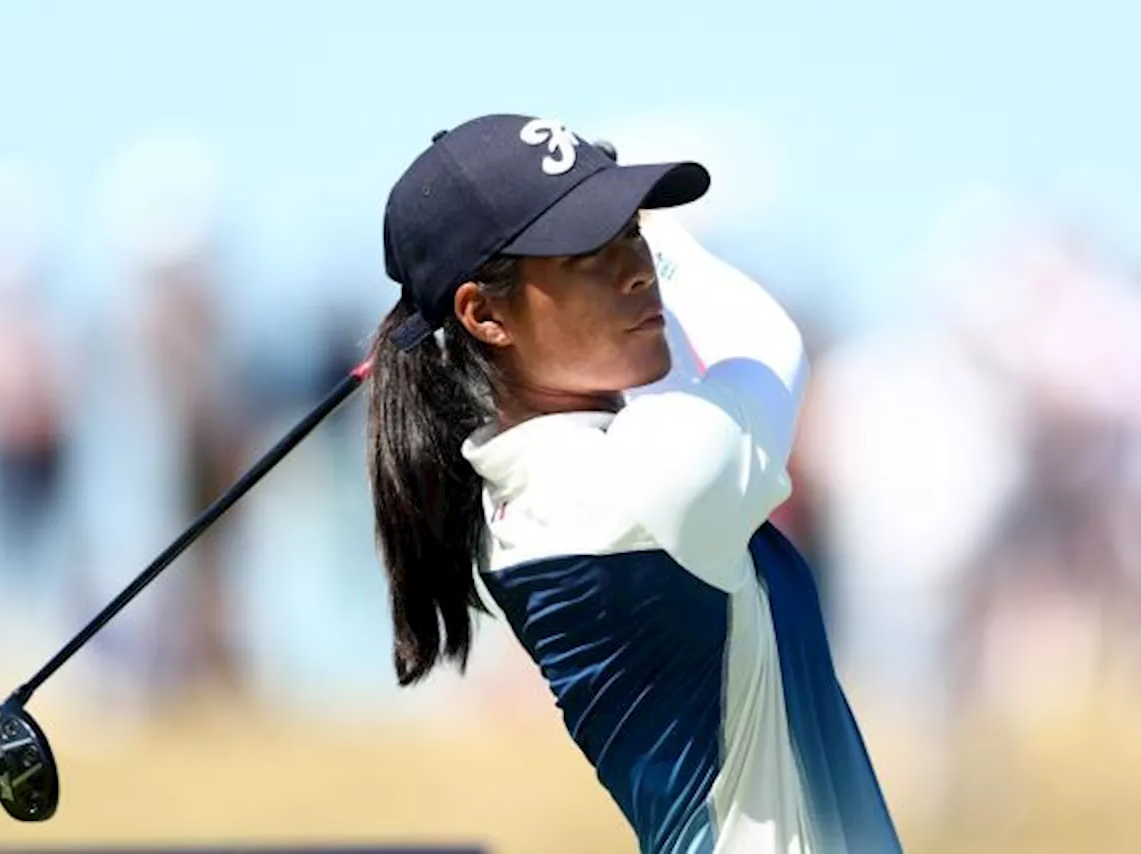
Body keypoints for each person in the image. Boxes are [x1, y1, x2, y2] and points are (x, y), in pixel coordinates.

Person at [364, 114, 902, 854]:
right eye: (586, 252)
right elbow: (766, 345)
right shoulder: (647, 483)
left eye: (631, 235)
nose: (636, 267)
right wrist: (664, 236)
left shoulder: (535, 483)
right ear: (484, 314)